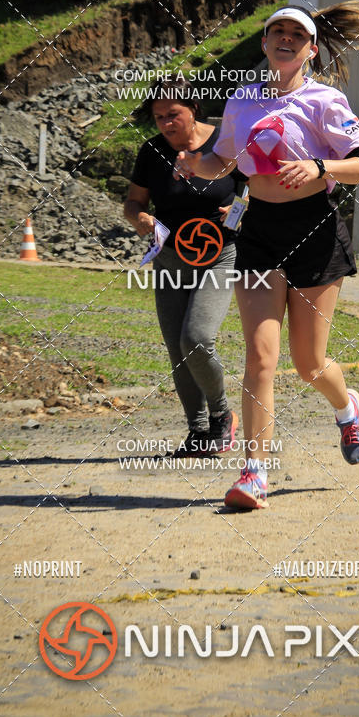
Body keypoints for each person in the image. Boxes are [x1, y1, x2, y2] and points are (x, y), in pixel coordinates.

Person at [175, 1, 359, 508]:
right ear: (265, 43)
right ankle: (254, 473)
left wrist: (320, 168)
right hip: (260, 232)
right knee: (260, 360)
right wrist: (191, 165)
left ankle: (347, 408)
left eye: (297, 33)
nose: (286, 38)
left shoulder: (324, 102)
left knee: (309, 363)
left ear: (311, 49)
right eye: (277, 32)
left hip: (314, 230)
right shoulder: (242, 101)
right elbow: (222, 159)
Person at [124, 79, 243, 458]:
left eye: (173, 114)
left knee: (196, 338)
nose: (166, 124)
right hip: (171, 258)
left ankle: (223, 415)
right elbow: (133, 202)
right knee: (177, 348)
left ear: (193, 109)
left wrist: (239, 211)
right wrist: (140, 218)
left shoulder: (225, 141)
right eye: (158, 117)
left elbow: (255, 191)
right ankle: (197, 429)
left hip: (220, 253)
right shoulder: (152, 152)